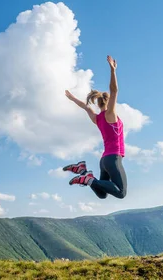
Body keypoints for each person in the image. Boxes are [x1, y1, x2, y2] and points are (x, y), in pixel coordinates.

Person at [62, 55, 127, 199]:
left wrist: (72, 99)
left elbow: (85, 107)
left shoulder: (97, 119)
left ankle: (84, 173)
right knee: (121, 193)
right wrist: (113, 71)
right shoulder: (110, 115)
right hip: (113, 159)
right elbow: (114, 90)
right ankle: (87, 178)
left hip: (104, 161)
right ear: (108, 102)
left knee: (102, 194)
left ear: (98, 104)